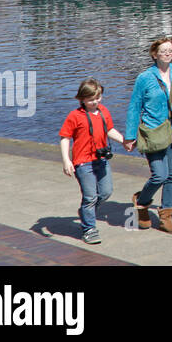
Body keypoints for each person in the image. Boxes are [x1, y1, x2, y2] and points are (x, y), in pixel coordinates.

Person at [122, 38, 172, 234]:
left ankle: (166, 218)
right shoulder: (144, 78)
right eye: (164, 51)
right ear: (154, 54)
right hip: (154, 132)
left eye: (171, 51)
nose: (168, 54)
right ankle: (141, 203)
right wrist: (130, 136)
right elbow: (135, 107)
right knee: (160, 175)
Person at [58, 79, 126, 245]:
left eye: (98, 97)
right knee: (90, 196)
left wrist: (124, 141)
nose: (95, 102)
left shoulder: (103, 111)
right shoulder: (75, 116)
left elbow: (109, 130)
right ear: (81, 99)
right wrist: (67, 160)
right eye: (90, 99)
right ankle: (89, 228)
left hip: (101, 160)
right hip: (83, 162)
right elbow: (65, 138)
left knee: (106, 192)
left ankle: (85, 213)